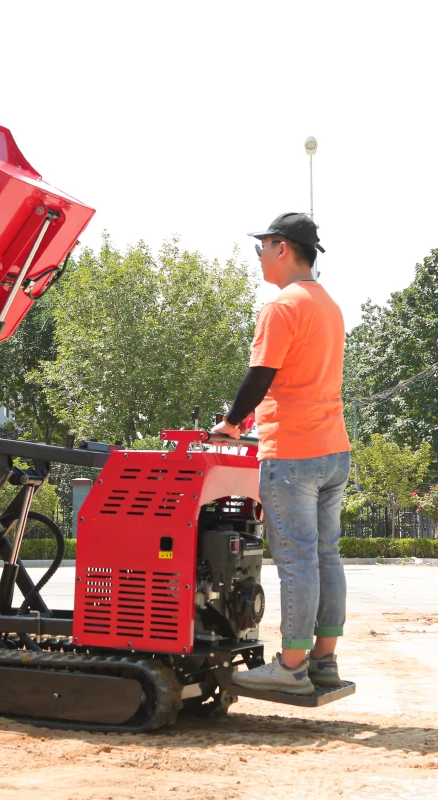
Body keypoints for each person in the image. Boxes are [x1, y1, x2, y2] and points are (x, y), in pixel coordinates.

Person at [211, 212, 351, 695]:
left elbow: (260, 375)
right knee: (325, 555)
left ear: (282, 248)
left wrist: (230, 424)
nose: (259, 257)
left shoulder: (282, 307)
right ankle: (323, 661)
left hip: (292, 454)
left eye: (261, 247)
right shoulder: (329, 306)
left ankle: (290, 666)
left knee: (295, 560)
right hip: (334, 448)